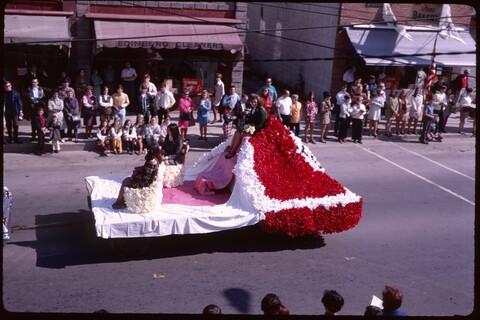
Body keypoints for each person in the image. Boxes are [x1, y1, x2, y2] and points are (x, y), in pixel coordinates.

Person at [112, 145, 164, 209]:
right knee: (127, 179)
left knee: (125, 181)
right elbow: (148, 172)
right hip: (147, 180)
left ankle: (119, 202)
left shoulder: (152, 162)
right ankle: (122, 200)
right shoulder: (156, 159)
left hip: (145, 183)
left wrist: (135, 177)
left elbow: (146, 178)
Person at [225, 94, 266, 159]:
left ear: (258, 101)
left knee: (240, 134)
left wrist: (250, 129)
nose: (253, 103)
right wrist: (247, 119)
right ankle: (231, 148)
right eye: (252, 102)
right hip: (251, 127)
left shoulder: (261, 110)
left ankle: (232, 152)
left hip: (257, 131)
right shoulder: (254, 108)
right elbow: (250, 120)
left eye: (255, 102)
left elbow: (260, 125)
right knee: (237, 132)